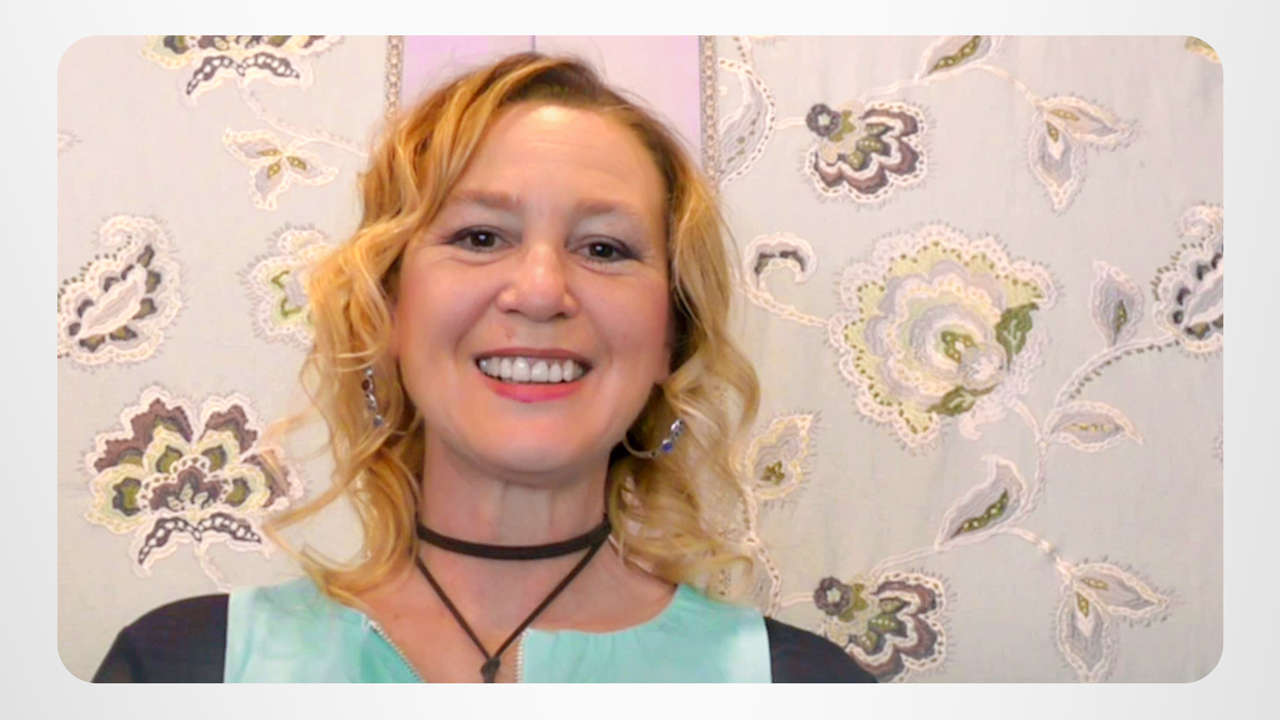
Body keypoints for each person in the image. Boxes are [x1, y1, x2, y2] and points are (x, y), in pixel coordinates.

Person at [92, 52, 875, 683]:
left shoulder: (803, 687)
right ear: (388, 308)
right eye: (479, 237)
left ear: (671, 339)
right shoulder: (182, 668)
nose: (539, 290)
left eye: (604, 248)